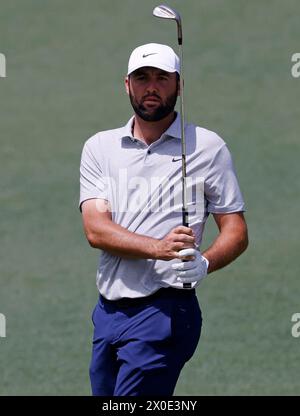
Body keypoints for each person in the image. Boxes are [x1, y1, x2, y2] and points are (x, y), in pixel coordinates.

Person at [79, 43, 248, 396]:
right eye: (142, 78)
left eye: (161, 78)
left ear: (179, 85)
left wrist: (205, 262)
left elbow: (235, 229)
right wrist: (158, 248)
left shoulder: (207, 147)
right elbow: (96, 229)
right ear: (127, 85)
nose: (151, 87)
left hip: (166, 312)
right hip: (107, 312)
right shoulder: (100, 147)